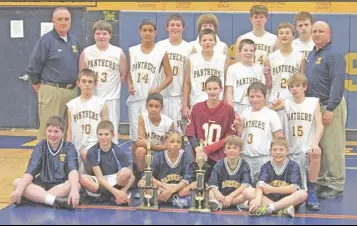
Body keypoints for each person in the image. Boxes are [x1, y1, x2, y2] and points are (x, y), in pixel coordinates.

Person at [305, 21, 347, 199]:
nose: (316, 34)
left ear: (329, 34)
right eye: (314, 31)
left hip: (330, 105)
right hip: (315, 106)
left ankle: (336, 183)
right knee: (319, 145)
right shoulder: (312, 54)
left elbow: (338, 83)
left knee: (333, 145)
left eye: (321, 31)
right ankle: (322, 180)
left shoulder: (334, 55)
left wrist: (330, 108)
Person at [269, 73, 324, 211]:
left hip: (307, 146)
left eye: (298, 86)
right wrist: (272, 104)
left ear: (304, 87)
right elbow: (267, 110)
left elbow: (320, 125)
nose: (294, 89)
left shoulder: (313, 102)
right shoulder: (286, 102)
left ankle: (312, 191)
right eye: (292, 86)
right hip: (290, 148)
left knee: (316, 154)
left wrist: (315, 143)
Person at [26, 7, 80, 140]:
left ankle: (66, 160)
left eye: (67, 19)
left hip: (73, 91)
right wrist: (40, 86)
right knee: (50, 130)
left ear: (70, 21)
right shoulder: (45, 41)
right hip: (52, 91)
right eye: (60, 19)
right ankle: (45, 160)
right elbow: (34, 66)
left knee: (69, 130)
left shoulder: (74, 40)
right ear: (53, 21)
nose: (63, 22)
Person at [127, 19, 173, 165]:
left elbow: (170, 76)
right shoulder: (132, 51)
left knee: (157, 136)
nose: (147, 33)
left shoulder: (161, 52)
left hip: (152, 101)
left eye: (150, 30)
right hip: (136, 99)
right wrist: (129, 85)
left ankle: (161, 168)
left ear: (155, 33)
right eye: (144, 30)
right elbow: (129, 72)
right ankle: (137, 169)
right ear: (140, 32)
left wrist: (157, 90)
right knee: (136, 138)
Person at [10, 116, 80, 209]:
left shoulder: (69, 147)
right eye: (49, 131)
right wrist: (19, 191)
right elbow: (31, 170)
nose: (52, 135)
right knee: (17, 183)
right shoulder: (41, 146)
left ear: (63, 133)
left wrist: (74, 190)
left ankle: (37, 198)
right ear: (45, 131)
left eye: (56, 132)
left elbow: (73, 170)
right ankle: (53, 201)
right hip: (41, 184)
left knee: (76, 185)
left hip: (60, 185)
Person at [79, 20, 128, 144]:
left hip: (111, 99)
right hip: (91, 98)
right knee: (92, 133)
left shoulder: (118, 52)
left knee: (111, 132)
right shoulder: (87, 52)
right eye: (98, 33)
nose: (101, 36)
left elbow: (123, 75)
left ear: (110, 35)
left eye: (104, 33)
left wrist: (113, 88)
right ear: (94, 35)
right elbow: (81, 75)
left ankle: (111, 159)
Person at [185, 75, 239, 184]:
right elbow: (190, 133)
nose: (212, 92)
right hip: (200, 155)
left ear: (221, 90)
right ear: (205, 89)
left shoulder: (228, 110)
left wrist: (208, 149)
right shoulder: (197, 107)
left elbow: (230, 137)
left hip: (220, 155)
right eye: (209, 89)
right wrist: (198, 149)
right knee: (198, 184)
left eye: (215, 89)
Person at [243, 137, 307, 218]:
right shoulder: (266, 166)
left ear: (287, 151)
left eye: (281, 149)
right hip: (270, 199)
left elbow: (294, 188)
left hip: (287, 200)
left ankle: (270, 208)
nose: (278, 152)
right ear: (270, 151)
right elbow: (260, 185)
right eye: (275, 149)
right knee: (246, 191)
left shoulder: (293, 166)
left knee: (303, 194)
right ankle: (282, 210)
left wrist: (272, 189)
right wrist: (258, 200)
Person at [237, 82, 283, 183]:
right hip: (245, 157)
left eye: (258, 96)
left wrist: (277, 156)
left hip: (264, 158)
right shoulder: (244, 113)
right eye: (252, 96)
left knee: (263, 188)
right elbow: (239, 135)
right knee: (246, 188)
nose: (255, 99)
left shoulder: (271, 114)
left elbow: (279, 138)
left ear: (265, 96)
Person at [79, 120, 134, 205]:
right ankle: (112, 195)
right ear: (97, 135)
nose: (103, 137)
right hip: (99, 180)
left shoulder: (118, 151)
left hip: (114, 180)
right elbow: (100, 178)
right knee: (82, 178)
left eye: (106, 134)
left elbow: (132, 176)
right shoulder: (92, 151)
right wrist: (116, 193)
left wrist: (123, 191)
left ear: (113, 135)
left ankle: (106, 195)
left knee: (126, 172)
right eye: (100, 134)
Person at [66, 68, 109, 173]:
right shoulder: (71, 104)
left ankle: (96, 179)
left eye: (90, 82)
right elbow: (69, 129)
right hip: (76, 145)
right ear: (78, 83)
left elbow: (106, 128)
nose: (87, 84)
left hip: (94, 145)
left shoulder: (101, 103)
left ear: (95, 84)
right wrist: (67, 148)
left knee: (85, 154)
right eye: (84, 81)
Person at [157, 14, 193, 135]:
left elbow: (188, 79)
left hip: (178, 97)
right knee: (161, 134)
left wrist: (185, 103)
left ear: (183, 28)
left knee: (178, 135)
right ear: (167, 28)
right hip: (162, 96)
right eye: (172, 25)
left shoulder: (189, 48)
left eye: (178, 25)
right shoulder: (160, 46)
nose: (175, 28)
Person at [138, 130, 194, 207]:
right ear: (165, 142)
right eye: (172, 141)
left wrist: (172, 190)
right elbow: (147, 175)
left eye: (178, 142)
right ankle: (176, 200)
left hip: (179, 188)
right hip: (161, 187)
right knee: (142, 182)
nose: (175, 144)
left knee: (196, 184)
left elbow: (188, 178)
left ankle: (162, 199)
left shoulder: (185, 156)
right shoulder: (158, 156)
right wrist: (163, 186)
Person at [182, 29, 230, 119]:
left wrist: (226, 102)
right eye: (204, 40)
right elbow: (186, 84)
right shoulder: (192, 59)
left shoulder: (224, 59)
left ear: (215, 42)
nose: (207, 42)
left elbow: (227, 84)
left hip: (217, 103)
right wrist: (185, 105)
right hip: (196, 103)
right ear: (199, 42)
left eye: (210, 40)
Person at [265, 22, 305, 122]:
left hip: (293, 99)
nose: (284, 35)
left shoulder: (300, 57)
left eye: (287, 33)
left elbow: (302, 83)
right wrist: (266, 76)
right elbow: (268, 85)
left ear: (293, 36)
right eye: (281, 33)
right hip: (275, 99)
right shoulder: (270, 58)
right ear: (277, 36)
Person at [207, 135, 252, 212]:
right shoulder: (219, 165)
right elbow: (213, 184)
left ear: (240, 150)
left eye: (235, 148)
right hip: (221, 196)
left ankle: (221, 204)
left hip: (236, 196)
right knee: (211, 191)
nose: (231, 150)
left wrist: (230, 197)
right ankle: (218, 202)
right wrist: (218, 194)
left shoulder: (244, 165)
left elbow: (244, 185)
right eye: (229, 148)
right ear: (224, 150)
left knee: (247, 192)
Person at [135, 93, 174, 173]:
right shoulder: (142, 117)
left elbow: (168, 147)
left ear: (161, 108)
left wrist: (148, 144)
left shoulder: (169, 123)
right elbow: (140, 143)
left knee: (172, 151)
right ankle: (141, 177)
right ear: (146, 106)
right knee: (140, 150)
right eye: (150, 106)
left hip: (162, 153)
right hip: (149, 150)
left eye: (156, 106)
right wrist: (156, 146)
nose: (153, 109)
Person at [225, 38, 265, 116]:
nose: (248, 53)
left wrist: (261, 107)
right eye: (245, 50)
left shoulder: (259, 69)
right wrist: (231, 109)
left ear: (254, 53)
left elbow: (263, 91)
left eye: (251, 50)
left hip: (254, 104)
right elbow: (229, 92)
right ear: (240, 52)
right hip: (237, 105)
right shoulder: (232, 69)